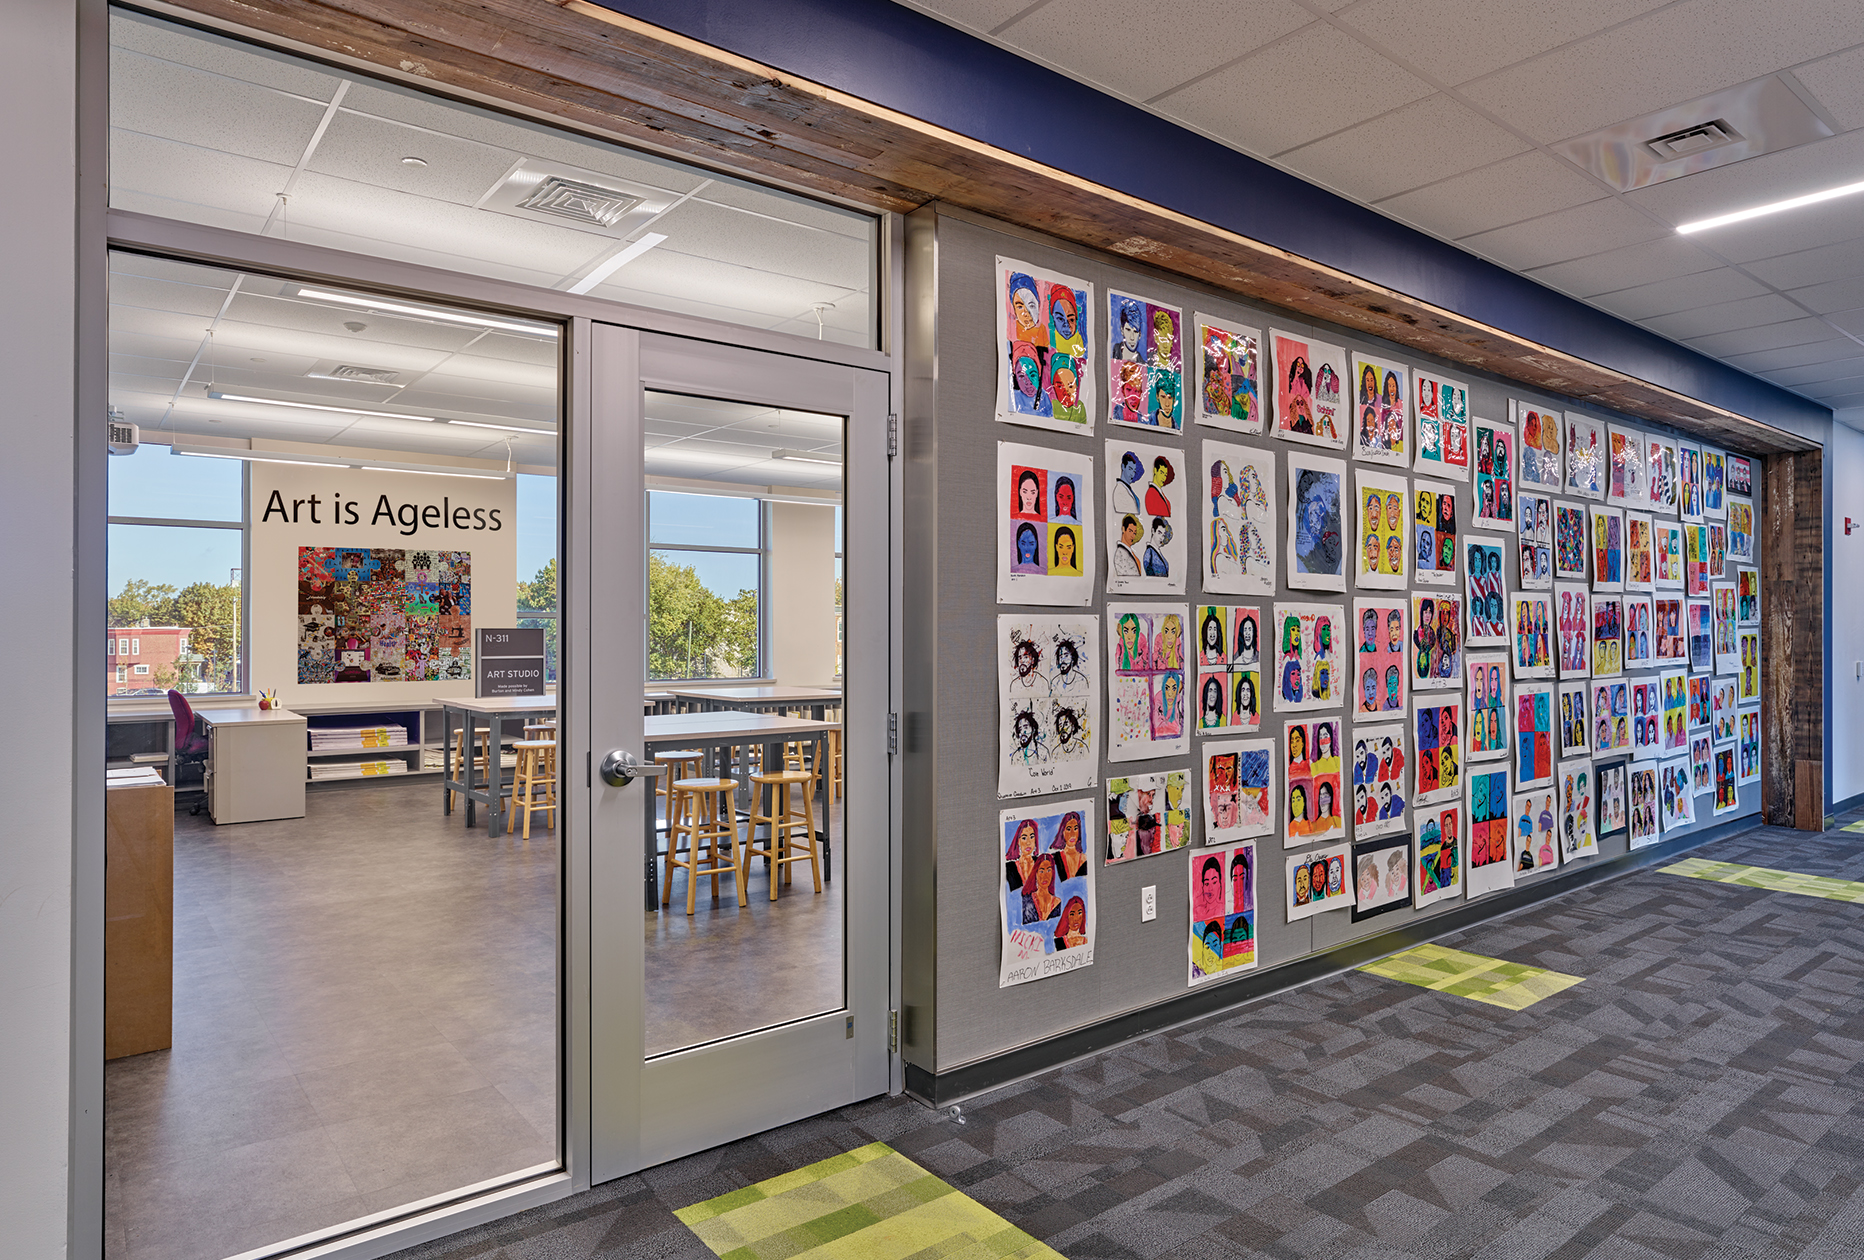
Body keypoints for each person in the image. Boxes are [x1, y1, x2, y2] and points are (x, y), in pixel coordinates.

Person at [1194, 854, 1225, 921]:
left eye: (1214, 882)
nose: (1210, 889)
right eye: (1207, 884)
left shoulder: (1224, 909)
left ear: (1220, 884)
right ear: (1203, 887)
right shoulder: (1197, 911)